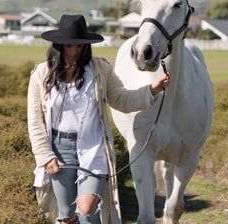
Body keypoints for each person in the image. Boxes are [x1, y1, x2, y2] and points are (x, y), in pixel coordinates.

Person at [27, 14, 170, 224]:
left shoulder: (100, 69)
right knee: (67, 215)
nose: (75, 51)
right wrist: (44, 155)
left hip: (93, 147)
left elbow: (122, 99)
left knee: (86, 209)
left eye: (80, 46)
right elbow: (35, 120)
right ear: (59, 46)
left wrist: (151, 90)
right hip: (57, 149)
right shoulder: (41, 74)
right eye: (70, 46)